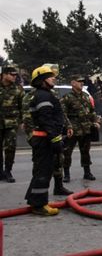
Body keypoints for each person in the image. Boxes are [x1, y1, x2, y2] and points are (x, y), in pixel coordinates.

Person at [24, 65, 69, 215]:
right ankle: (39, 205)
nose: (53, 78)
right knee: (44, 171)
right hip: (44, 139)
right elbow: (46, 120)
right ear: (42, 80)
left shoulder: (45, 94)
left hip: (43, 138)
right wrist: (55, 139)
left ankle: (34, 198)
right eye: (50, 76)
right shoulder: (43, 96)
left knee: (41, 170)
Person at [61, 74, 99, 182]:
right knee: (67, 152)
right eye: (79, 81)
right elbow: (63, 114)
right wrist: (68, 126)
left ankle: (87, 172)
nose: (82, 83)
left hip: (85, 128)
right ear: (73, 83)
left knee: (86, 152)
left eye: (82, 81)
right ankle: (67, 174)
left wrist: (95, 121)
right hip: (73, 128)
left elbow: (92, 111)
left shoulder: (86, 96)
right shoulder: (67, 97)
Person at [0, 66, 24, 183]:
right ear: (4, 75)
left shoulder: (18, 89)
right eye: (12, 74)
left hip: (12, 123)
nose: (15, 77)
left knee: (10, 148)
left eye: (16, 75)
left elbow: (23, 107)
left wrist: (22, 121)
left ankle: (8, 171)